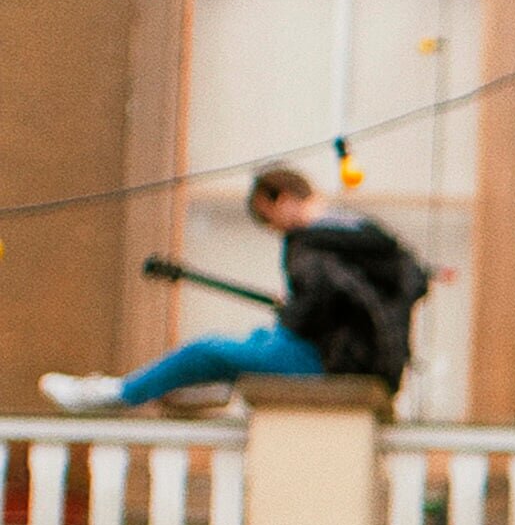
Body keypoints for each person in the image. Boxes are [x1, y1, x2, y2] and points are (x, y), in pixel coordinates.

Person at [42, 166, 427, 412]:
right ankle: (209, 385)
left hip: (330, 363)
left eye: (268, 218)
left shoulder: (307, 242)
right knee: (259, 339)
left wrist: (294, 312)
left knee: (206, 351)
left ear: (281, 199)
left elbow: (321, 301)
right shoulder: (367, 234)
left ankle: (121, 394)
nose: (273, 229)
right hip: (373, 365)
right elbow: (399, 287)